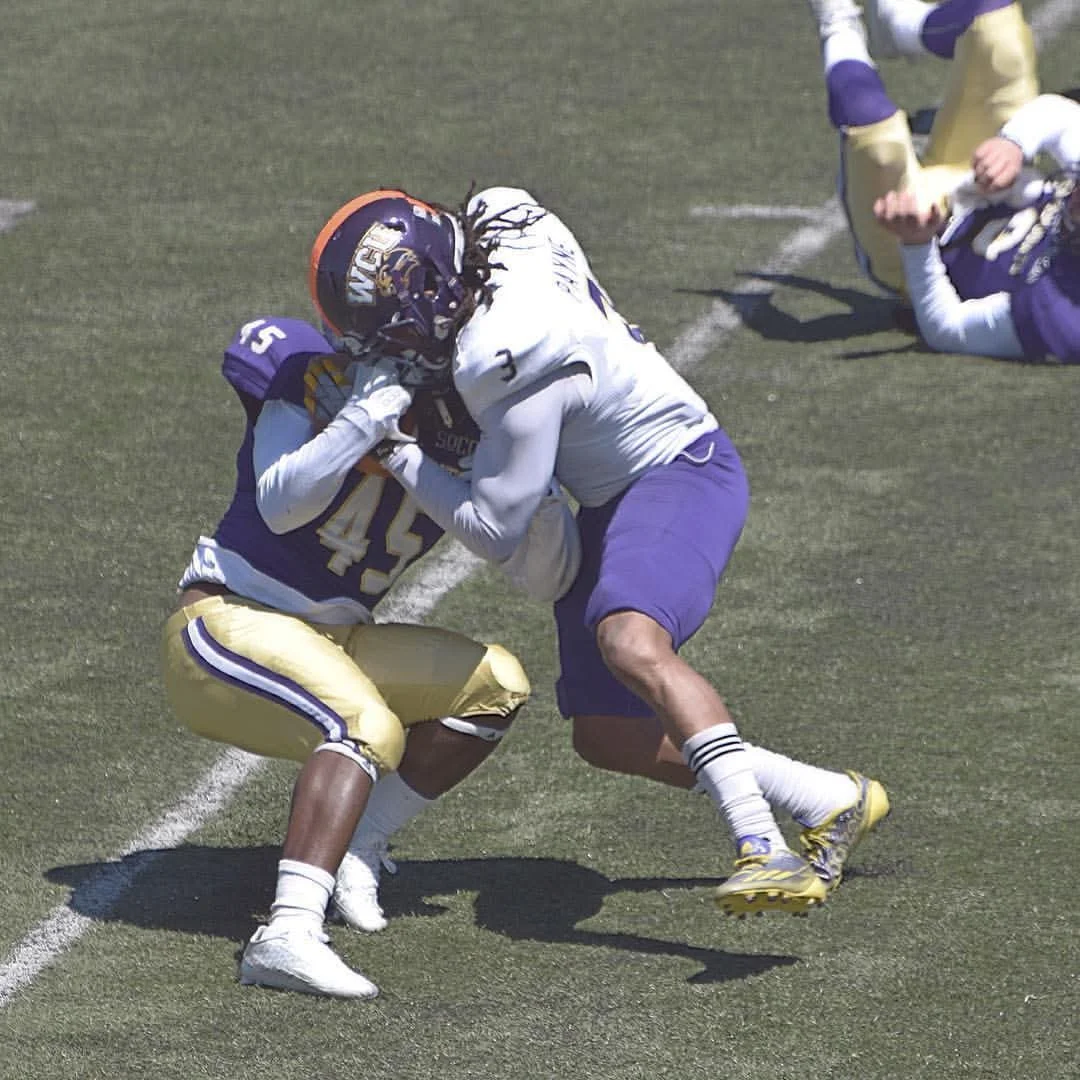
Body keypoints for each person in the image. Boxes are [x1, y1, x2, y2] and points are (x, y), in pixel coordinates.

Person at [307, 187, 891, 919]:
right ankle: (831, 800)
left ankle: (762, 845)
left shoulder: (501, 358)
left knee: (629, 640)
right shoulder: (500, 217)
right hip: (615, 491)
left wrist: (395, 449)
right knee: (609, 735)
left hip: (679, 470)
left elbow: (494, 527)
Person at [161, 313, 579, 998]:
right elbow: (280, 505)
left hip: (335, 635)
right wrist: (364, 419)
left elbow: (542, 578)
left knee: (494, 684)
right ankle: (287, 932)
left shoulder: (476, 445)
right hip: (228, 618)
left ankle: (358, 844)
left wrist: (534, 502)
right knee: (365, 725)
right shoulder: (321, 377)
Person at [804, 0, 1080, 362]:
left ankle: (837, 22)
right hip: (982, 175)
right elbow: (1060, 114)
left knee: (876, 134)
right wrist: (1012, 144)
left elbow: (948, 327)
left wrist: (917, 245)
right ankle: (902, 27)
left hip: (923, 232)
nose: (1073, 192)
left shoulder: (1063, 319)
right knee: (997, 28)